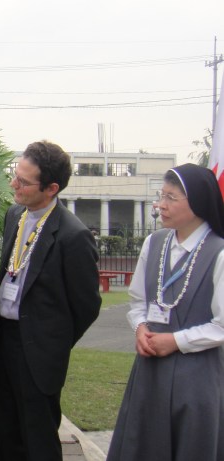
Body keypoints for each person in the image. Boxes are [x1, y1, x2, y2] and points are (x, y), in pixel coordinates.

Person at [0, 141, 101, 461]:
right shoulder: (15, 215)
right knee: (2, 432)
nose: (14, 184)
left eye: (23, 182)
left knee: (37, 439)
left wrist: (52, 341)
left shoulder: (73, 235)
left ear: (51, 188)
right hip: (4, 341)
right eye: (15, 175)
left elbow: (86, 306)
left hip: (39, 351)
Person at [107, 163, 224, 461]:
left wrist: (175, 342)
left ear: (197, 201)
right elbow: (138, 302)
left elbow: (222, 325)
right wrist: (141, 327)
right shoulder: (154, 243)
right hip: (150, 371)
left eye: (171, 198)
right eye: (162, 196)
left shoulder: (218, 252)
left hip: (197, 376)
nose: (161, 205)